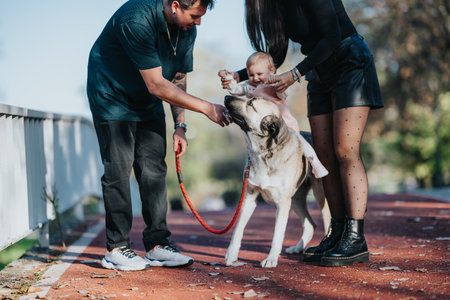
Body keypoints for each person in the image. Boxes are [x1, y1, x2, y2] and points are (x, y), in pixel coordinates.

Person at [222, 0, 383, 267]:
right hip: (318, 73)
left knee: (345, 150)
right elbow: (276, 53)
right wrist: (238, 76)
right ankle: (337, 233)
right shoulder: (277, 7)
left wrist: (296, 73)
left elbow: (332, 35)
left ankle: (355, 239)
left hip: (349, 63)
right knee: (324, 154)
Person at [87, 0, 229, 271]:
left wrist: (180, 125)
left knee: (154, 169)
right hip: (112, 95)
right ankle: (116, 248)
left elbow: (176, 77)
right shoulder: (135, 19)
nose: (199, 22)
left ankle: (157, 245)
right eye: (195, 15)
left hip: (148, 98)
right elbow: (156, 84)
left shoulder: (186, 29)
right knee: (119, 169)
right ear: (175, 5)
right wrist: (207, 108)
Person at [218, 52, 328, 178]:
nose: (255, 78)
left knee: (300, 142)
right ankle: (256, 168)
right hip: (265, 129)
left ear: (271, 71)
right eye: (251, 75)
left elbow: (282, 93)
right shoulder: (250, 87)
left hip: (285, 123)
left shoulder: (273, 85)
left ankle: (316, 164)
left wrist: (275, 83)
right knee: (254, 145)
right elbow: (236, 90)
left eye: (259, 74)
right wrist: (228, 79)